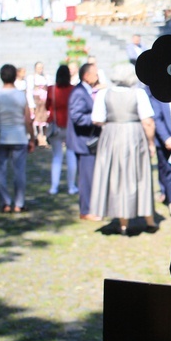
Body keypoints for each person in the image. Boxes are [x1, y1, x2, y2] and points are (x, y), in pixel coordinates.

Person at [90, 63, 158, 235]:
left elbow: (96, 118)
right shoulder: (139, 94)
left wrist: (112, 123)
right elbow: (148, 122)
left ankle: (122, 223)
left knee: (115, 177)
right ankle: (149, 220)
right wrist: (151, 143)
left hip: (111, 136)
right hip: (134, 135)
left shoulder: (104, 93)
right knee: (139, 176)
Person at [0, 64, 36, 213]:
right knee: (19, 171)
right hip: (18, 136)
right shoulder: (21, 95)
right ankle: (19, 203)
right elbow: (27, 120)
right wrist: (32, 137)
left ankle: (5, 202)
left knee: (0, 170)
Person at [67, 62, 102, 221]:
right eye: (95, 74)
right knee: (86, 179)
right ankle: (86, 210)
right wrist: (95, 120)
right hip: (84, 143)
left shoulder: (86, 91)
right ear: (87, 76)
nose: (97, 77)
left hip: (89, 142)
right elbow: (77, 117)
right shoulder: (79, 92)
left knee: (91, 178)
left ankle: (90, 208)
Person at [45, 65, 78, 195]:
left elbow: (48, 106)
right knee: (71, 155)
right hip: (70, 126)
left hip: (55, 126)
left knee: (57, 156)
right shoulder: (73, 90)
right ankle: (71, 186)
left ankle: (54, 187)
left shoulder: (51, 89)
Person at [26, 61, 50, 147]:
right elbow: (29, 92)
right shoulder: (32, 78)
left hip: (44, 102)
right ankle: (38, 136)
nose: (40, 69)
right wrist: (31, 105)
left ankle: (44, 137)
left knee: (44, 120)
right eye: (38, 67)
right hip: (36, 102)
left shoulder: (46, 77)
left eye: (41, 67)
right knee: (36, 120)